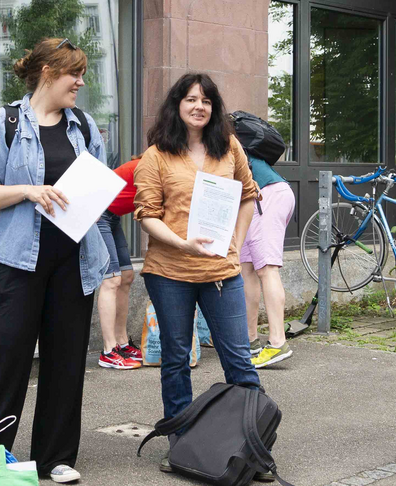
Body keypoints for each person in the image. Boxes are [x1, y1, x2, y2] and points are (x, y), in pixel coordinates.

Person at [0, 37, 112, 484]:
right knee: (5, 359)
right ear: (47, 73)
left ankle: (54, 456)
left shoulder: (83, 124)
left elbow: (98, 190)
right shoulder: (5, 123)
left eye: (82, 73)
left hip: (74, 260)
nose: (80, 81)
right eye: (73, 73)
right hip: (20, 260)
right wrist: (28, 191)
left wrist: (109, 253)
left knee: (65, 361)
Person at [132, 73, 264, 475]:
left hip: (221, 272)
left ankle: (252, 448)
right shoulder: (156, 155)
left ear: (214, 108)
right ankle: (183, 446)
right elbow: (146, 215)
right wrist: (180, 243)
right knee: (175, 359)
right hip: (170, 271)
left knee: (239, 360)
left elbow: (248, 194)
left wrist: (237, 243)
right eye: (190, 99)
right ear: (177, 105)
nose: (198, 107)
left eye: (206, 101)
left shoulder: (229, 148)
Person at [241, 155, 295, 368]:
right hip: (255, 198)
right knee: (246, 268)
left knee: (267, 269)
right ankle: (250, 340)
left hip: (266, 196)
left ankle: (277, 343)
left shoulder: (219, 138)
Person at [95, 156, 145, 369]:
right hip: (98, 213)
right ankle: (108, 351)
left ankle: (122, 343)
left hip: (113, 216)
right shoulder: (151, 165)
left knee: (126, 276)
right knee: (111, 279)